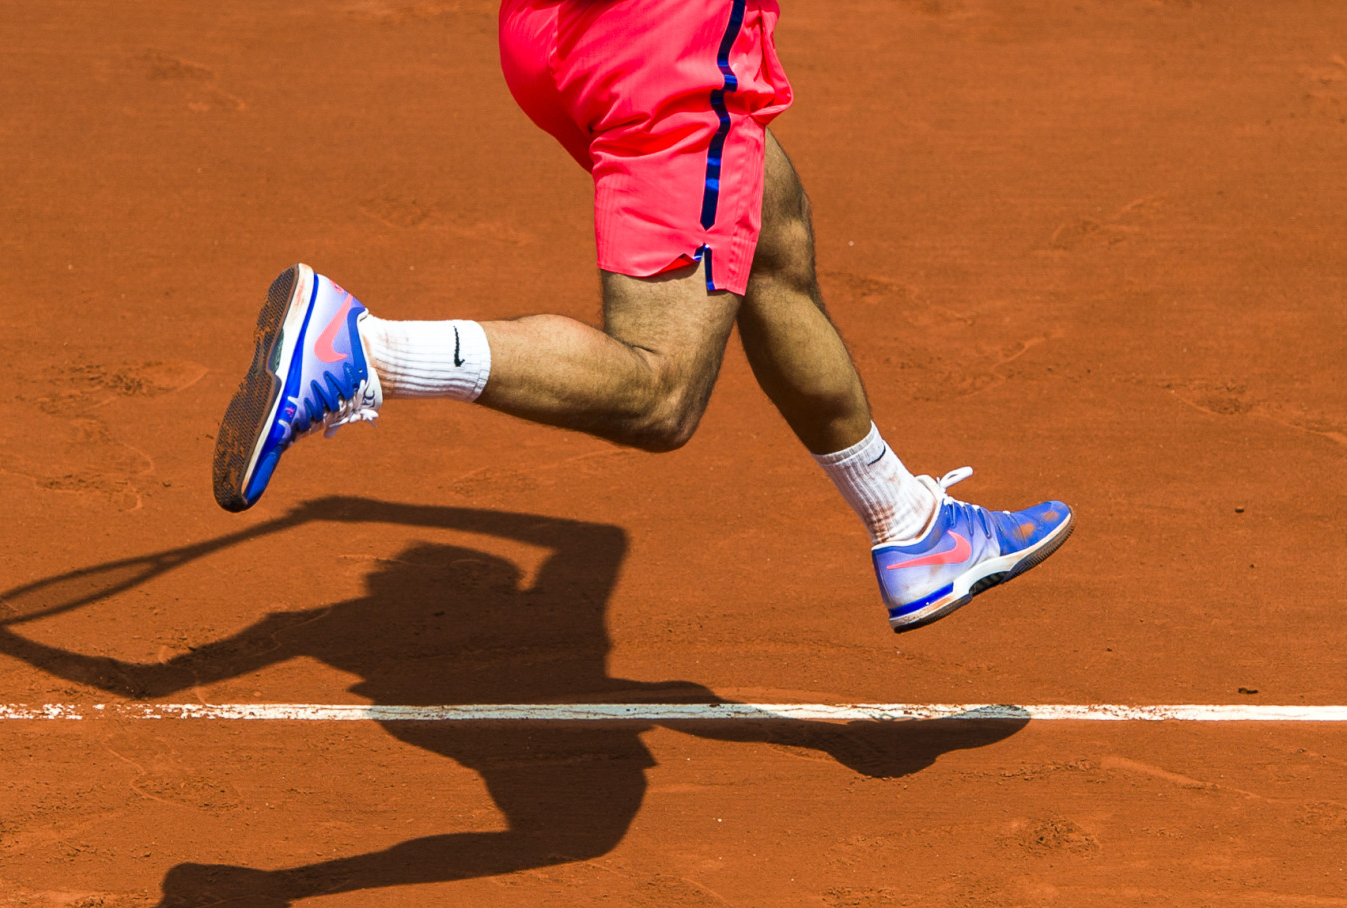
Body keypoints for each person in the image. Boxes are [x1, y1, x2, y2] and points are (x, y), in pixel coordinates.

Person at [210, 0, 1072, 633]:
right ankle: (364, 350)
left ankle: (909, 525)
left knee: (768, 235)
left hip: (553, 33)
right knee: (662, 392)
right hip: (665, 38)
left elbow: (585, 546)